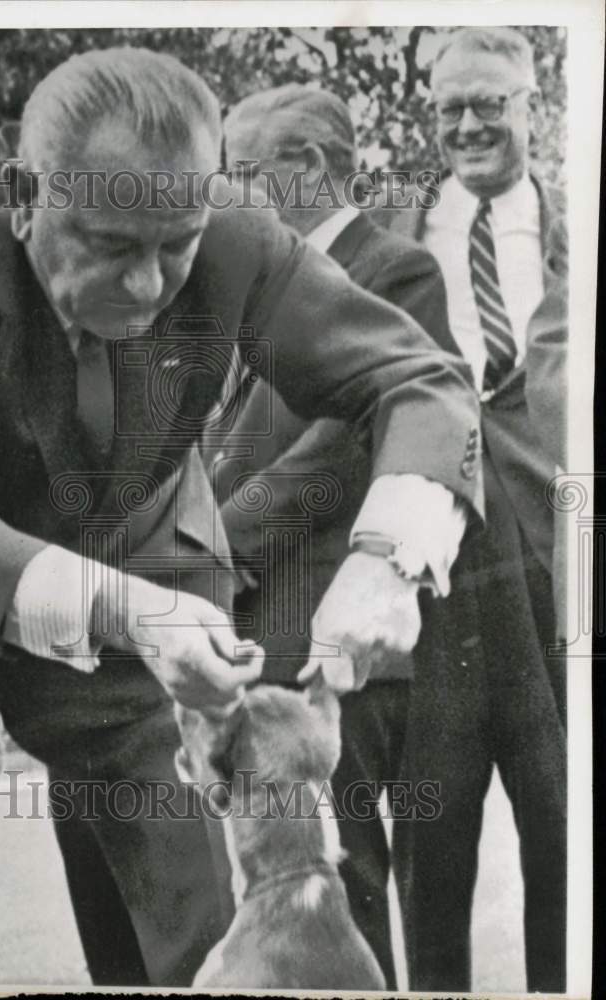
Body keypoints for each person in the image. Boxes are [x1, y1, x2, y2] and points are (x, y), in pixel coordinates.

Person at [0, 47, 482, 984]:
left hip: (151, 599)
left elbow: (418, 378)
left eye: (173, 246)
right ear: (24, 196)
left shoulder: (236, 240)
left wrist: (392, 561)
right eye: (108, 246)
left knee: (216, 939)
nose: (147, 288)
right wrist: (128, 610)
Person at [216, 83, 460, 989]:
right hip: (253, 631)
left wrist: (214, 538)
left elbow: (348, 442)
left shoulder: (393, 269)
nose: (226, 195)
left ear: (309, 167)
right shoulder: (247, 279)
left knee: (341, 898)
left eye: (242, 172)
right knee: (275, 909)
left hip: (331, 640)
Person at [374, 27, 567, 991]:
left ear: (532, 104)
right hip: (436, 577)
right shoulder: (391, 237)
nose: (466, 124)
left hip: (559, 578)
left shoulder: (581, 225)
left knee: (564, 840)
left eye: (488, 103)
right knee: (431, 846)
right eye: (448, 106)